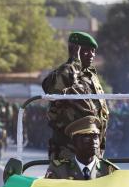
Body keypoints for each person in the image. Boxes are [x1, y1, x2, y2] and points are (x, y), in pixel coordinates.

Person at [42, 31, 109, 160]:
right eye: (86, 51)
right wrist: (74, 61)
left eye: (93, 51)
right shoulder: (65, 73)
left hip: (93, 149)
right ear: (74, 50)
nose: (92, 55)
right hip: (67, 149)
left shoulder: (92, 77)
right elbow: (52, 89)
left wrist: (100, 147)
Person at [45, 116, 117, 180]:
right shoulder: (59, 170)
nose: (93, 141)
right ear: (74, 142)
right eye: (87, 137)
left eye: (95, 137)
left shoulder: (109, 171)